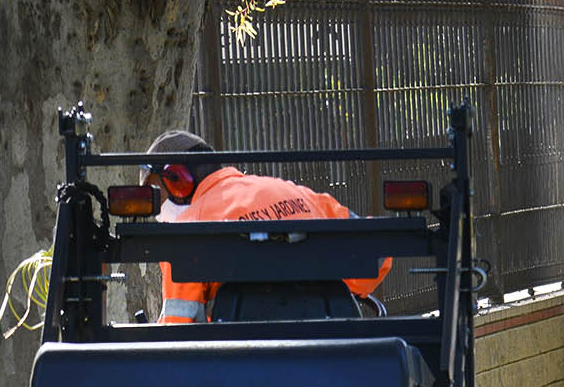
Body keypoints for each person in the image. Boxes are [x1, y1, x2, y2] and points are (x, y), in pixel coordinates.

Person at [140, 130, 390, 323]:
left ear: (178, 181)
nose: (156, 209)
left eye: (155, 192)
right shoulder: (295, 192)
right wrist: (334, 293)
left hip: (240, 363)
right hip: (327, 344)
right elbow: (378, 251)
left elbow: (178, 329)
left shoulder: (187, 230)